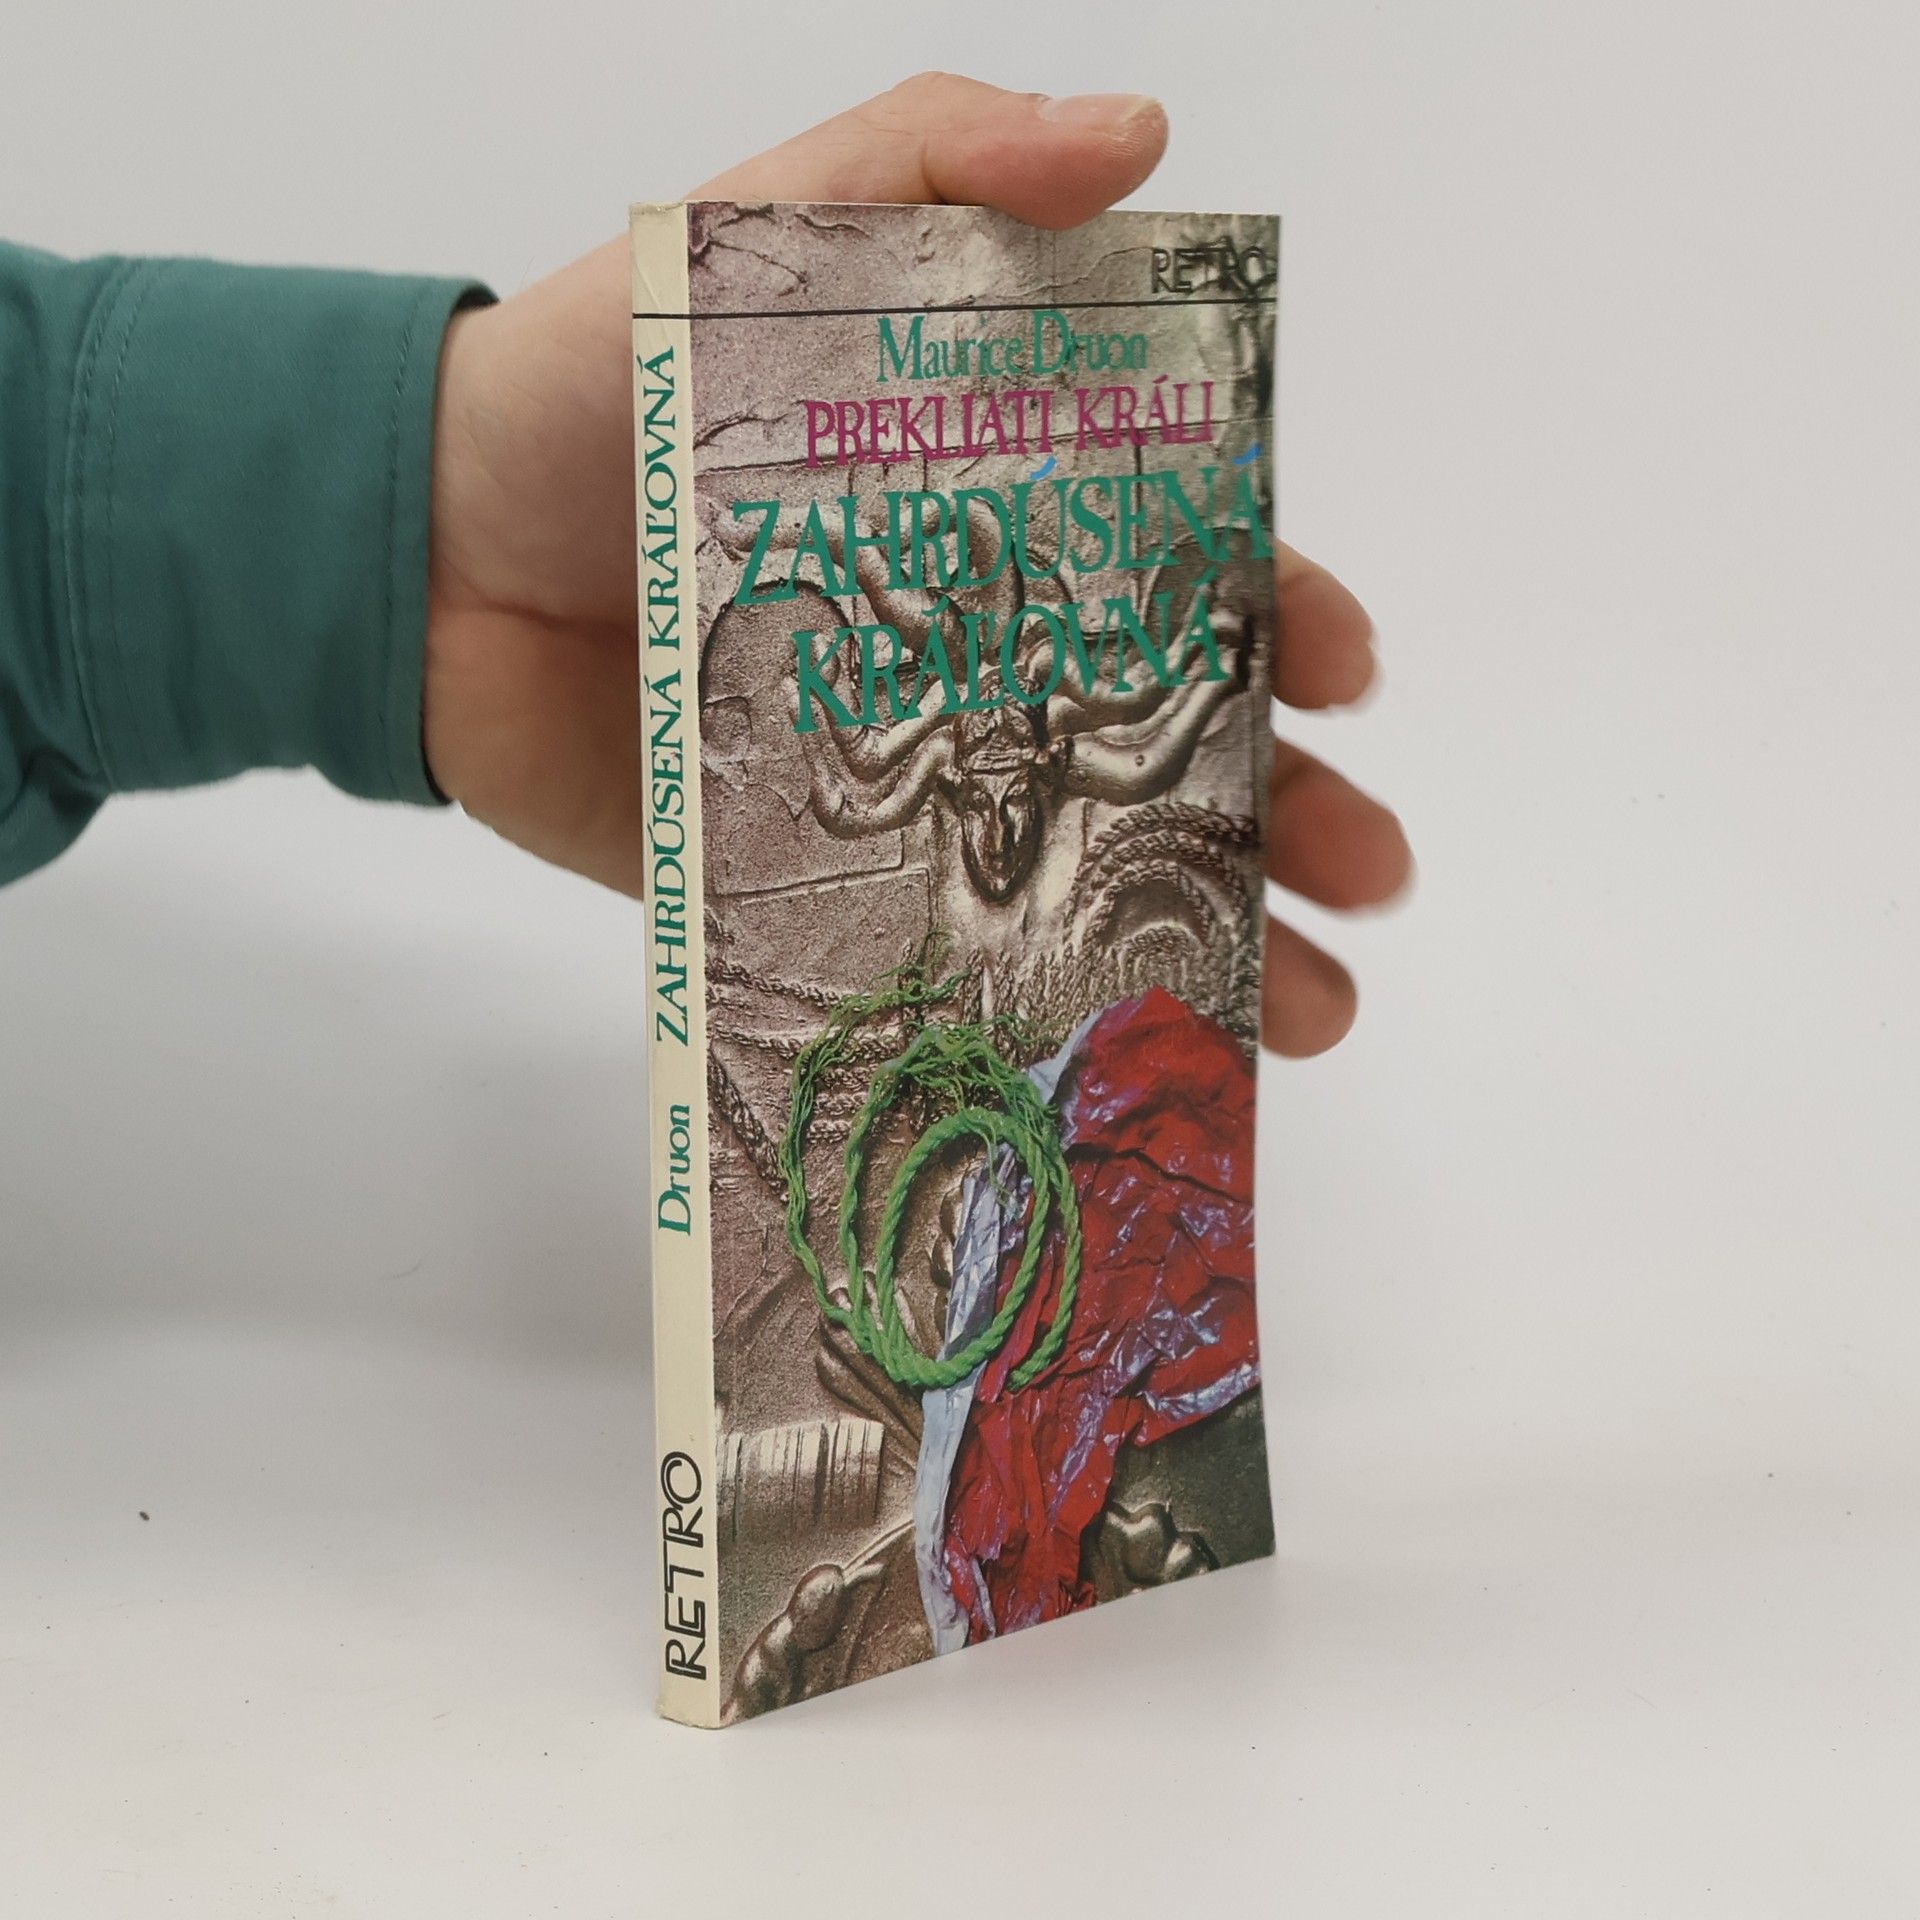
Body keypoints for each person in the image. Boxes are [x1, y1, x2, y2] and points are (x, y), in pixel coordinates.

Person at [0, 73, 1410, 1057]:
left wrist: (422, 508)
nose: (993, 816)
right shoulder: (967, 738)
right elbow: (902, 772)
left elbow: (1078, 741)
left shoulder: (989, 743)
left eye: (998, 801)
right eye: (993, 800)